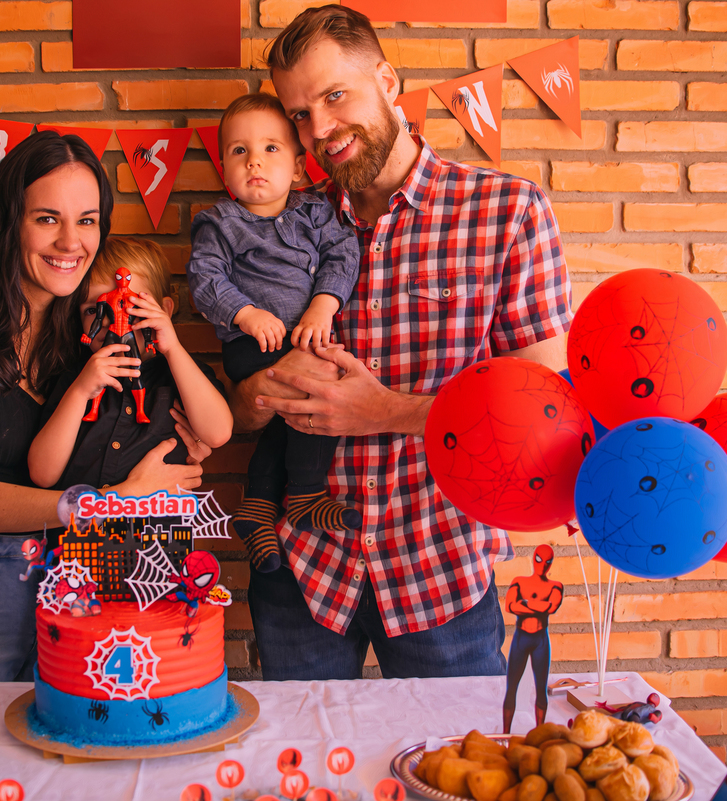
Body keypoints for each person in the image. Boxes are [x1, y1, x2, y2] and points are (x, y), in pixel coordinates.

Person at [229, 5, 572, 680]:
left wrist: (384, 411)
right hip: (303, 573)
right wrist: (256, 393)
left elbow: (548, 408)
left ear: (387, 82)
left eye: (335, 96)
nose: (319, 130)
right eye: (299, 114)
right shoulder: (279, 228)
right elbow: (239, 411)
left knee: (454, 777)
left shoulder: (507, 212)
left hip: (440, 568)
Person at [0, 132, 211, 682]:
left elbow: (161, 427)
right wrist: (113, 501)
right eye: (47, 218)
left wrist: (178, 446)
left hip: (77, 573)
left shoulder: (86, 332)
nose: (71, 242)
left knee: (64, 746)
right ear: (10, 223)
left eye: (88, 220)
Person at [187, 93, 360, 575]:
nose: (254, 161)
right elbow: (205, 278)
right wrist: (243, 313)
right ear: (224, 167)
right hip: (251, 345)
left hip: (305, 335)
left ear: (300, 168)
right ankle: (305, 493)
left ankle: (259, 504)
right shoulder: (220, 223)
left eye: (271, 149)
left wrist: (324, 306)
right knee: (316, 391)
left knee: (296, 413)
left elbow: (343, 255)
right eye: (239, 151)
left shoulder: (316, 214)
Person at [28, 237, 232, 493]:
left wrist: (172, 348)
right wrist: (80, 392)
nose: (111, 321)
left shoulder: (182, 374)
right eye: (93, 310)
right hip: (81, 528)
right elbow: (42, 474)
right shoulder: (74, 378)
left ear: (164, 311)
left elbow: (217, 433)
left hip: (156, 530)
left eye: (132, 306)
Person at [503, 544, 563, 732]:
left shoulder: (556, 586)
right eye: (539, 559)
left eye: (547, 562)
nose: (543, 565)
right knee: (511, 687)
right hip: (521, 638)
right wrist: (539, 605)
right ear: (533, 558)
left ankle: (540, 732)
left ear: (551, 563)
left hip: (540, 641)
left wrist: (526, 602)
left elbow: (551, 607)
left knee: (541, 690)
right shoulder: (519, 581)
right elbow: (510, 606)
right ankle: (505, 734)